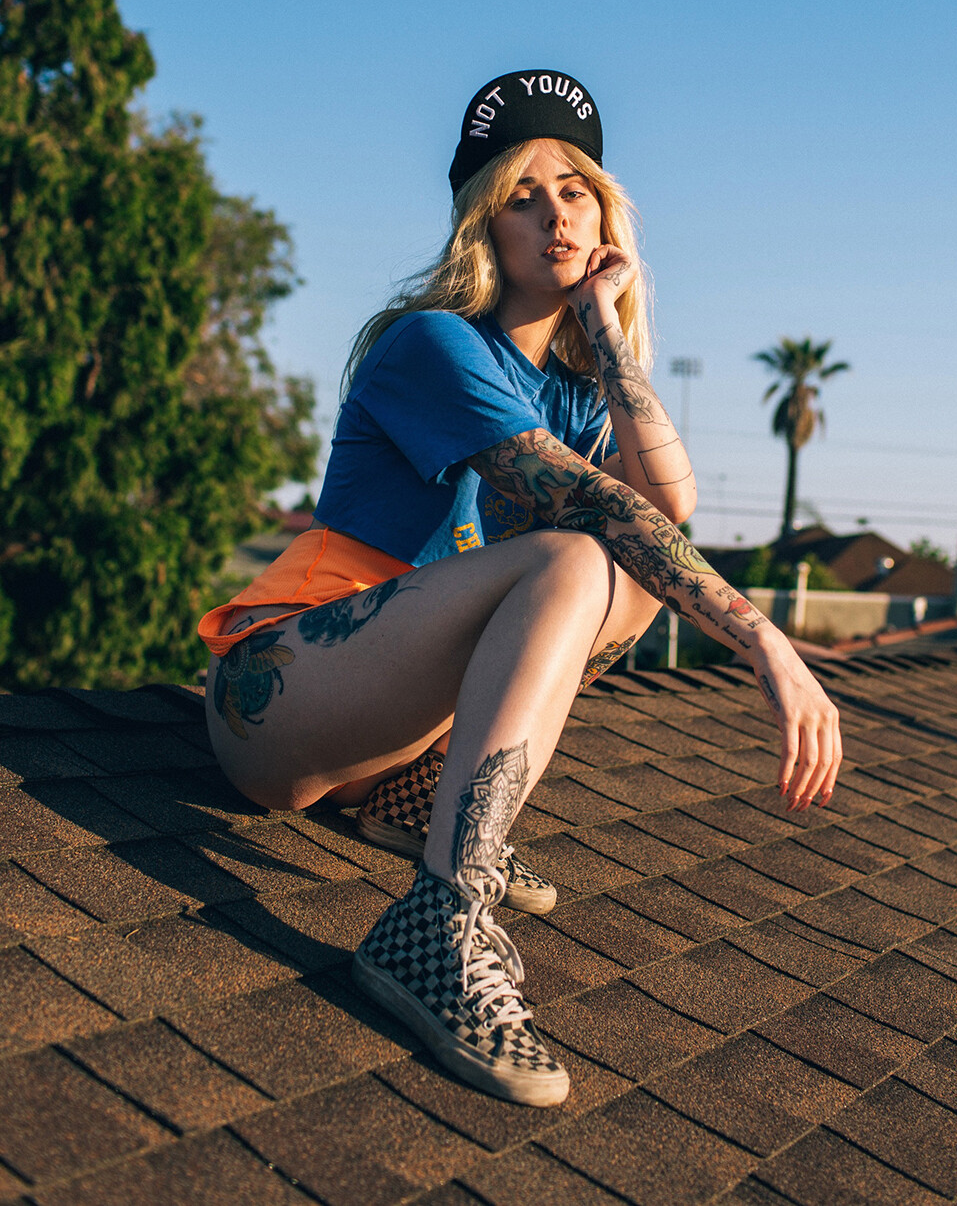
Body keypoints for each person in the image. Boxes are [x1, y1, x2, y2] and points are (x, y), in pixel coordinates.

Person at [198, 69, 842, 1108]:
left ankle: (413, 798)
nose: (554, 215)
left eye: (574, 191)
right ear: (482, 227)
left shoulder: (574, 389)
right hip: (277, 693)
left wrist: (605, 327)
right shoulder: (432, 344)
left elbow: (666, 505)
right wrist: (768, 645)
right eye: (522, 196)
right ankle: (439, 919)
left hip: (377, 737)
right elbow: (601, 510)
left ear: (605, 215)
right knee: (580, 554)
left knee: (629, 576)